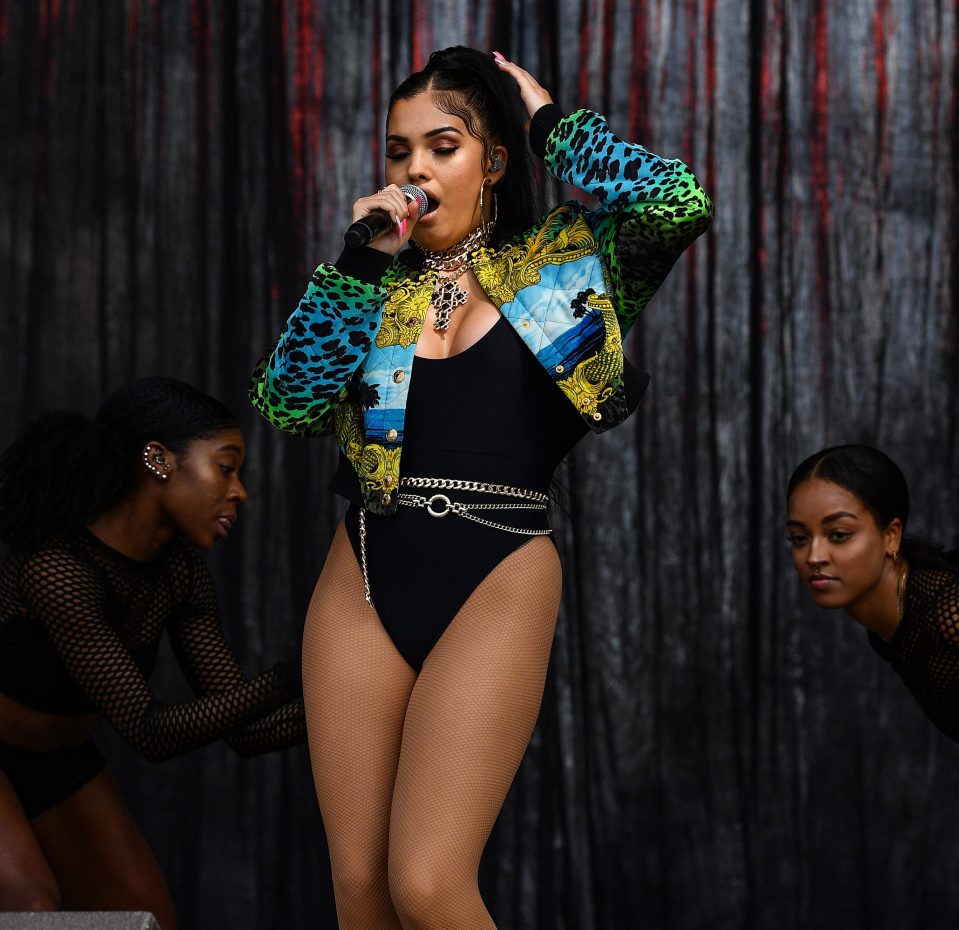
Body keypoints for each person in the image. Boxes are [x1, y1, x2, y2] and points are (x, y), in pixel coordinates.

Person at [251, 46, 711, 929]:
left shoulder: (569, 260)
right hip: (365, 567)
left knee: (426, 883)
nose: (413, 170)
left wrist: (555, 129)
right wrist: (358, 260)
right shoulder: (371, 282)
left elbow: (678, 202)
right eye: (397, 152)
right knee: (360, 890)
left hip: (499, 565)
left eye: (442, 145)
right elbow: (287, 401)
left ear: (492, 162)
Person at [0, 377, 306, 929]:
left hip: (59, 760)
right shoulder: (58, 569)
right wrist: (299, 676)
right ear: (158, 460)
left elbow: (244, 728)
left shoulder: (180, 575)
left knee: (147, 921)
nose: (241, 493)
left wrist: (372, 706)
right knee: (30, 909)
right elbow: (151, 732)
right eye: (226, 467)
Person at [786, 443, 959, 741]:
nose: (813, 556)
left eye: (839, 535)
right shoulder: (886, 624)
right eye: (799, 538)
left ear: (891, 536)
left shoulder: (947, 611)